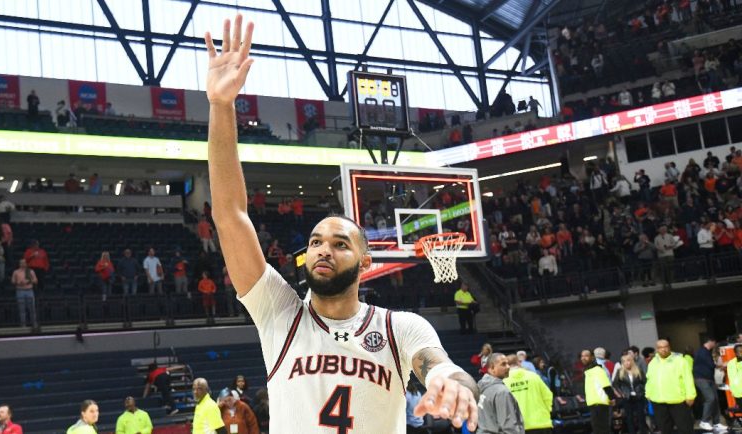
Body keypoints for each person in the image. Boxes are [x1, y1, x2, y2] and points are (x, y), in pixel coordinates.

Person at [205, 14, 478, 433]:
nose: (323, 249)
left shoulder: (398, 326)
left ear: (366, 262)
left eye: (340, 243)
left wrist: (449, 380)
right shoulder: (279, 314)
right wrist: (221, 107)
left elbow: (439, 365)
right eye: (315, 241)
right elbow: (229, 215)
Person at [645, 339, 696, 434]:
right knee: (665, 430)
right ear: (657, 349)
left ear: (669, 347)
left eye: (665, 347)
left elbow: (688, 378)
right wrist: (648, 394)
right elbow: (649, 379)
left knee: (685, 429)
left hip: (678, 401)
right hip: (658, 402)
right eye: (660, 347)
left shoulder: (680, 360)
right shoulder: (653, 363)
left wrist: (691, 396)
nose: (663, 349)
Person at [476, 353, 525, 434]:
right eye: (503, 364)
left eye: (508, 364)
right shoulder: (502, 392)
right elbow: (509, 427)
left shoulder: (481, 389)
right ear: (492, 368)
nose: (508, 367)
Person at [503, 355, 552, 434]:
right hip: (540, 423)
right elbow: (548, 396)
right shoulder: (534, 377)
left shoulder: (504, 382)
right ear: (519, 363)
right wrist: (546, 412)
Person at [693, 337, 727, 432]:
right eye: (715, 343)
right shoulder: (702, 352)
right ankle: (704, 421)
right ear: (711, 342)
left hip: (709, 379)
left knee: (715, 400)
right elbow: (711, 365)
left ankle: (716, 423)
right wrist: (723, 365)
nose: (715, 345)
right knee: (710, 398)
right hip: (702, 379)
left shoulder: (706, 351)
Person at [580, 349, 615, 434]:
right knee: (598, 429)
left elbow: (606, 385)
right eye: (582, 356)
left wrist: (612, 398)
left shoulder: (597, 369)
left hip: (600, 405)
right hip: (594, 405)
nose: (583, 358)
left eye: (586, 355)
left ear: (592, 357)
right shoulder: (588, 372)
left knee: (602, 429)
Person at [612, 354, 646, 434]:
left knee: (641, 417)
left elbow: (644, 382)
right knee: (629, 418)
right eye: (624, 361)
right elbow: (615, 384)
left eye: (628, 360)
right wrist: (621, 393)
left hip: (638, 396)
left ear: (632, 361)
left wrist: (642, 390)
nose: (626, 363)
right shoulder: (620, 371)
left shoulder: (638, 370)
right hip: (627, 397)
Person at [11, 259, 37, 328]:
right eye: (21, 263)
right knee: (21, 309)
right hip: (20, 291)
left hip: (29, 291)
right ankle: (23, 325)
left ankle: (34, 324)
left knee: (32, 308)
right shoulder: (16, 272)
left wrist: (29, 281)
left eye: (24, 263)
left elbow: (35, 280)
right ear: (19, 264)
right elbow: (13, 281)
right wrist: (19, 283)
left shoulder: (30, 271)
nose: (22, 264)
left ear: (26, 264)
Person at [727, 344, 742, 409]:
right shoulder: (731, 363)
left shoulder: (731, 363)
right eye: (740, 351)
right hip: (738, 393)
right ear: (735, 353)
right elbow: (735, 380)